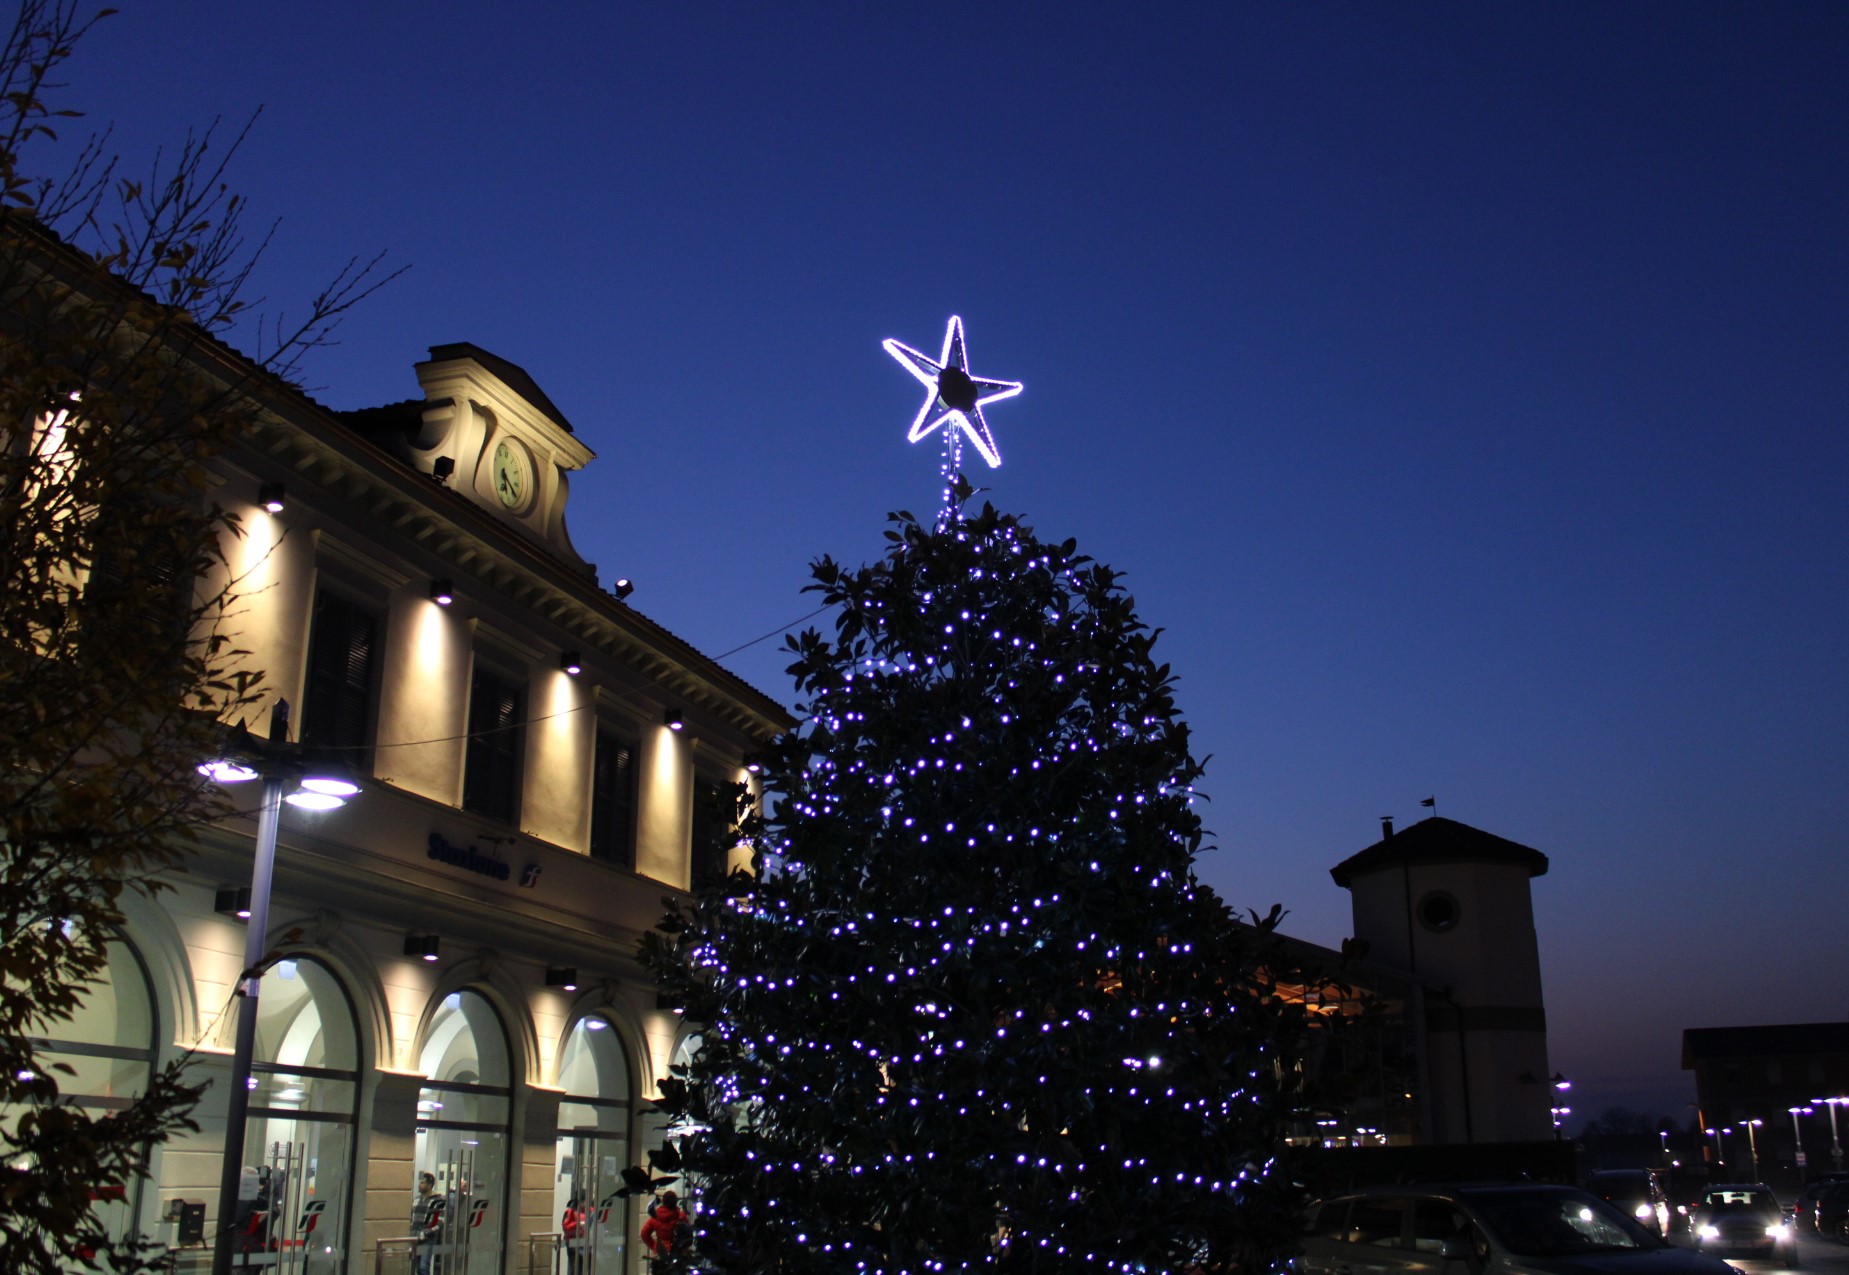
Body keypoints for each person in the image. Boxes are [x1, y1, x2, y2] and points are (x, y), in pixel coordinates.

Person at [640, 1191, 688, 1263]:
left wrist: (654, 1246)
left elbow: (644, 1233)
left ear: (663, 1201)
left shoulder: (655, 1216)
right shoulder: (681, 1216)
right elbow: (687, 1234)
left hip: (660, 1252)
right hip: (677, 1251)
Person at [411, 1172, 443, 1275]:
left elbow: (441, 1221)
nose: (420, 1185)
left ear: (429, 1185)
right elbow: (411, 1218)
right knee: (417, 1267)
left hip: (428, 1238)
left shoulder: (438, 1200)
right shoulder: (416, 1200)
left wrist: (429, 1231)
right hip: (415, 1237)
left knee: (424, 1266)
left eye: (422, 1183)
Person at [561, 1193, 587, 1275]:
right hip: (572, 1242)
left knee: (581, 1265)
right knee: (573, 1265)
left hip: (582, 1241)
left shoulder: (586, 1211)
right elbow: (566, 1227)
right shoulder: (570, 1211)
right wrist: (578, 1224)